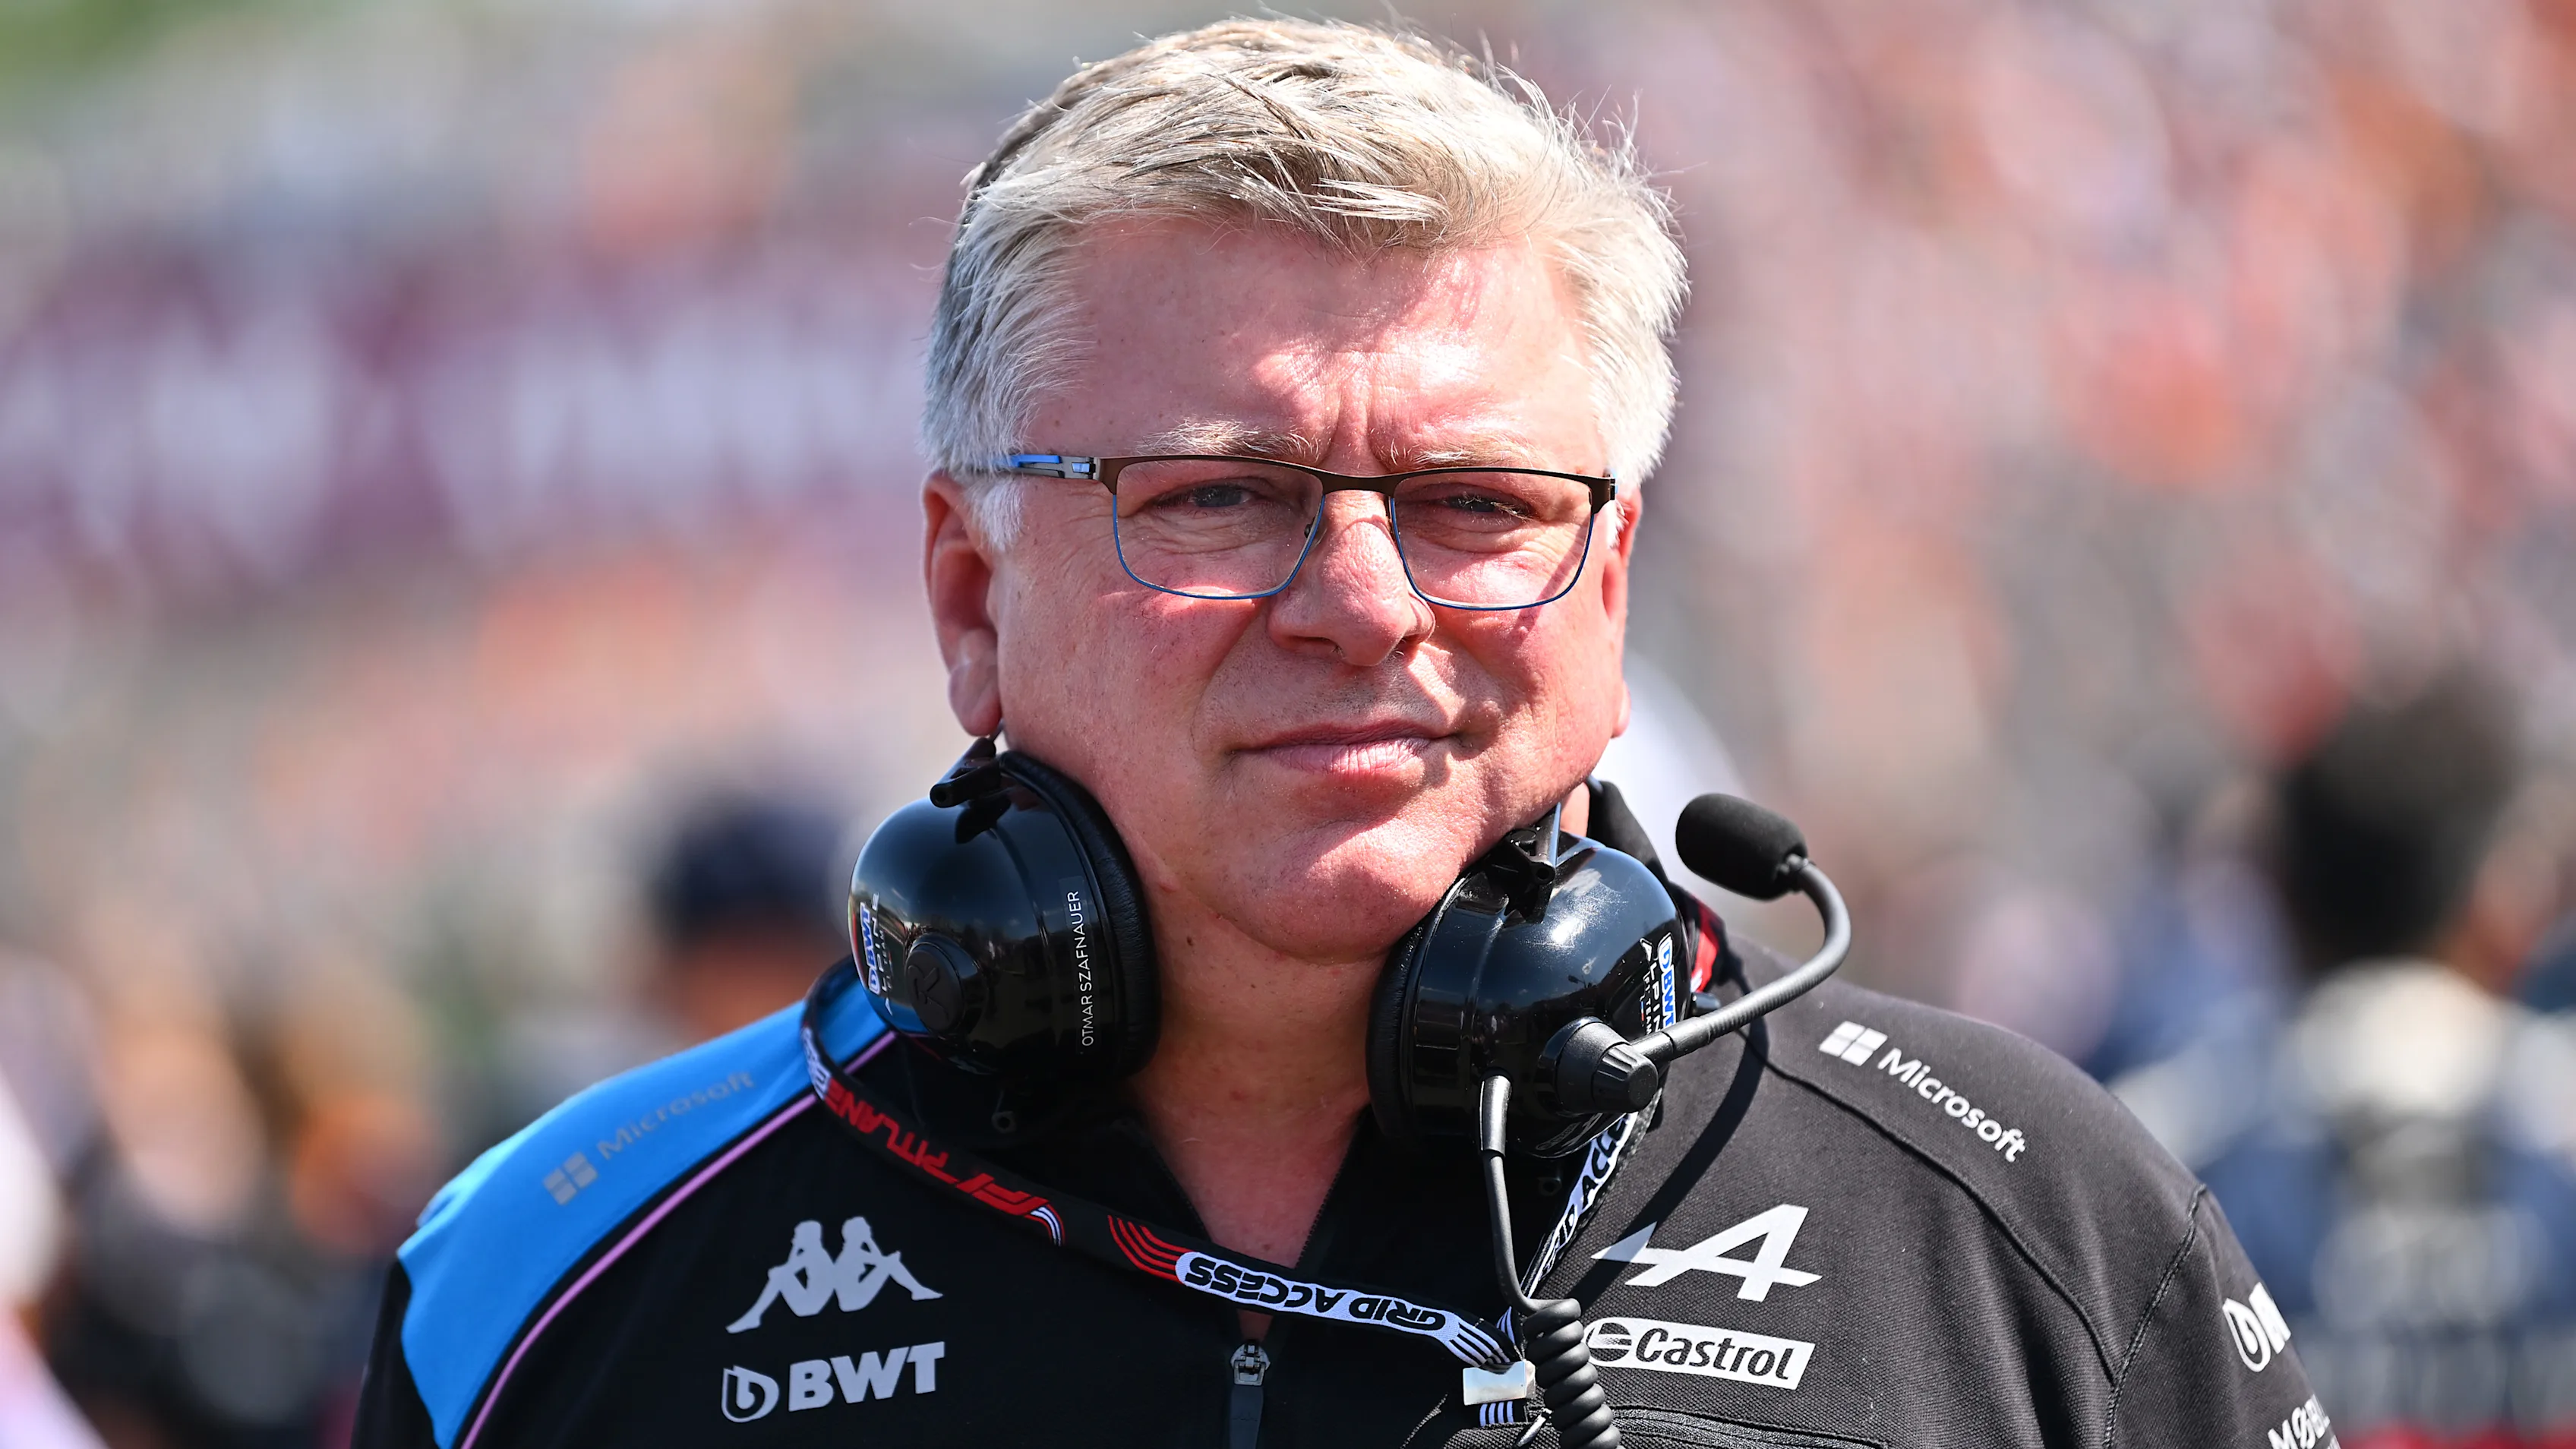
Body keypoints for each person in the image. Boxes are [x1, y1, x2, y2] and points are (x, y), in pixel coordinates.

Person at [355, 21, 2323, 1447]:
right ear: (971, 597)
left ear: (1611, 585)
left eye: (1479, 503)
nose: (1367, 601)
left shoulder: (2026, 1214)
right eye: (1216, 496)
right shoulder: (556, 1271)